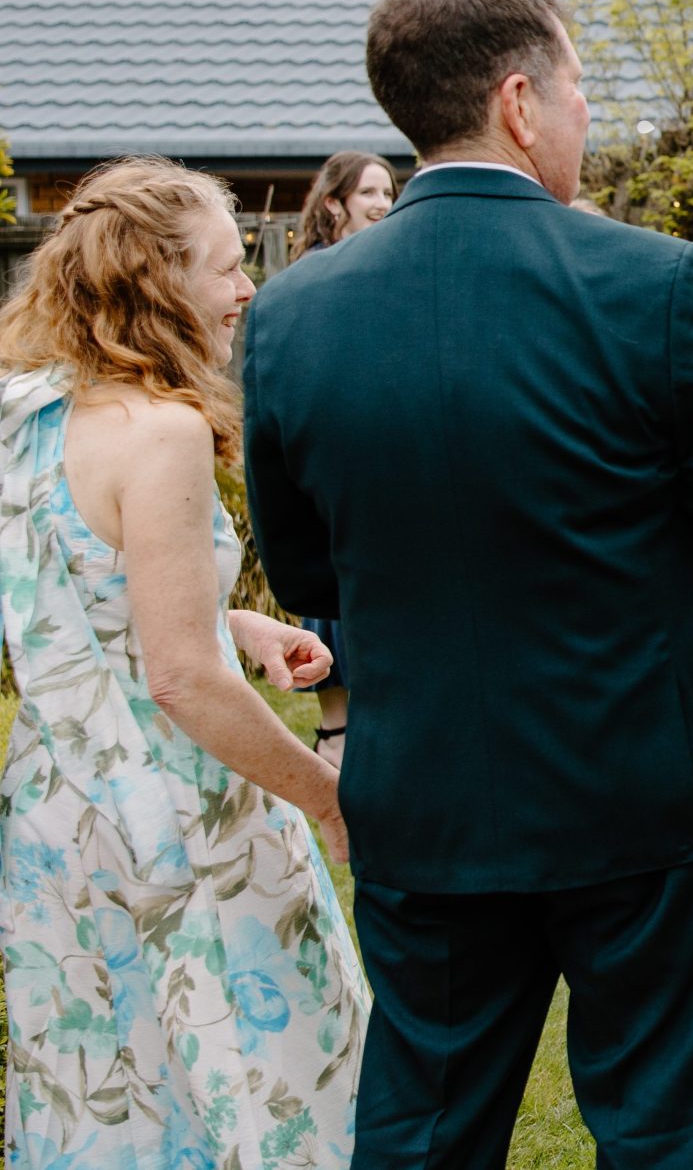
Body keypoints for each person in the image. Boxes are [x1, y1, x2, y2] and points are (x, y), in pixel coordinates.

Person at [242, 0, 693, 1169]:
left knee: (424, 1131)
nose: (584, 116)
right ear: (519, 99)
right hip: (645, 797)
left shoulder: (293, 313)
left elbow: (308, 569)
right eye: (576, 90)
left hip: (426, 797)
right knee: (661, 1131)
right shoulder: (649, 282)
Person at [0, 158, 367, 1167]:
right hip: (172, 813)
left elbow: (71, 594)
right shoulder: (158, 431)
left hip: (50, 816)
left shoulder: (25, 411)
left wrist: (235, 627)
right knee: (260, 1073)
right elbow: (179, 682)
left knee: (103, 1090)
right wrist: (325, 797)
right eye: (227, 266)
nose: (247, 288)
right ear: (158, 280)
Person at [286, 148, 401, 768]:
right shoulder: (314, 276)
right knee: (333, 583)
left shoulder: (390, 267)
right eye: (369, 194)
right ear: (335, 203)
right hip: (333, 447)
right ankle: (336, 731)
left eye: (388, 192)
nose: (383, 204)